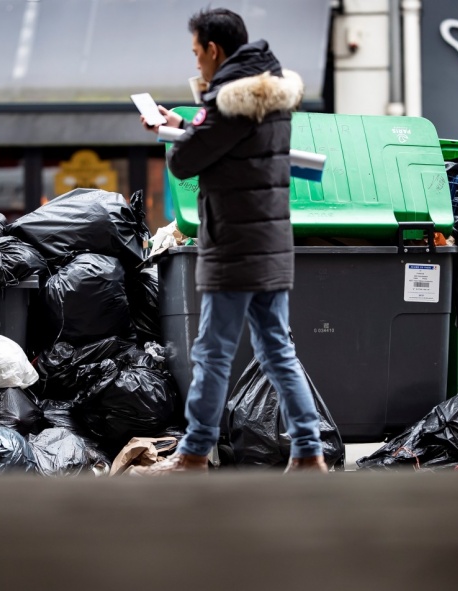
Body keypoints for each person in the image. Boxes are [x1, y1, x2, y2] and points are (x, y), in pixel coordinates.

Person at [134, 7, 328, 476]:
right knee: (277, 350)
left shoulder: (224, 101)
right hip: (269, 243)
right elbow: (225, 146)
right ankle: (308, 451)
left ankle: (195, 453)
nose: (197, 62)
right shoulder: (268, 97)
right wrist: (181, 126)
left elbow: (185, 164)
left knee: (212, 352)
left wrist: (176, 133)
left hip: (234, 246)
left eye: (198, 52)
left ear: (215, 50)